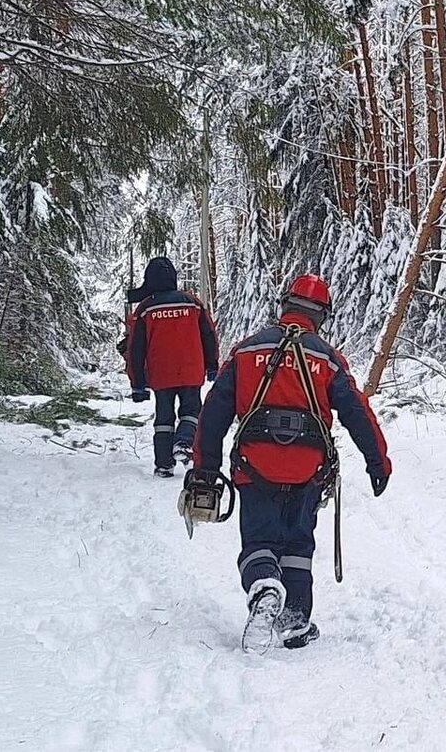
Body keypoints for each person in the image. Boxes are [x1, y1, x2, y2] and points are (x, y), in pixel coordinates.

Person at [192, 274, 390, 651]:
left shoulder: (246, 351)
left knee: (259, 540)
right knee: (298, 542)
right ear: (322, 315)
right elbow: (357, 412)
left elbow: (213, 411)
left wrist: (205, 466)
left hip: (253, 467)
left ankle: (263, 585)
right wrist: (378, 462)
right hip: (308, 471)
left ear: (285, 305)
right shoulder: (327, 358)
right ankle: (295, 622)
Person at [126, 257, 219, 478]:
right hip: (191, 370)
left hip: (161, 373)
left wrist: (138, 383)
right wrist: (212, 364)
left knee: (164, 419)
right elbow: (209, 335)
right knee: (191, 411)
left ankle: (164, 465)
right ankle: (184, 442)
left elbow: (135, 348)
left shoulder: (146, 308)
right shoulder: (193, 303)